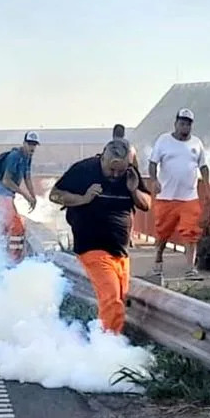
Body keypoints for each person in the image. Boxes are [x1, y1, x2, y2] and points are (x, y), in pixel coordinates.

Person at [49, 138, 151, 334]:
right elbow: (54, 195)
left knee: (119, 301)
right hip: (92, 246)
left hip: (120, 251)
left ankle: (105, 340)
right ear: (102, 158)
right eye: (111, 170)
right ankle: (107, 350)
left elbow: (146, 204)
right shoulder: (84, 170)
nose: (115, 175)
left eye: (119, 171)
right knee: (112, 299)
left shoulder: (129, 175)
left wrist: (133, 190)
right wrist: (83, 198)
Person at [148, 108, 210, 279]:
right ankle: (158, 259)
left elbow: (203, 166)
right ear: (176, 124)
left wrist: (207, 183)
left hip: (189, 197)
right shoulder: (164, 140)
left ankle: (191, 268)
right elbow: (153, 163)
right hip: (166, 196)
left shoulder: (196, 143)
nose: (185, 127)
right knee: (162, 233)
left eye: (188, 124)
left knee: (191, 232)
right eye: (182, 123)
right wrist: (154, 180)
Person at [0, 131, 39, 264]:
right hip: (2, 193)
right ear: (24, 143)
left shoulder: (28, 157)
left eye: (34, 145)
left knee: (7, 224)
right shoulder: (14, 156)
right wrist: (25, 195)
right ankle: (13, 259)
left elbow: (27, 177)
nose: (32, 148)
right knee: (16, 224)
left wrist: (33, 197)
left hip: (8, 195)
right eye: (30, 144)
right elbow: (7, 181)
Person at [113, 123, 139, 247]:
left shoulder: (109, 147)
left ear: (113, 134)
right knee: (128, 210)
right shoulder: (130, 148)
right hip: (127, 181)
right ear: (124, 134)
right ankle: (129, 237)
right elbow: (135, 165)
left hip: (112, 181)